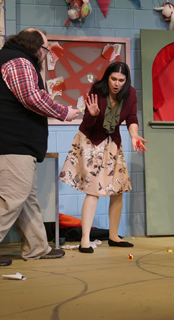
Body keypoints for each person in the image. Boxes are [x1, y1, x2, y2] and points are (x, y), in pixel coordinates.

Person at [0, 28, 80, 266]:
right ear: (37, 48)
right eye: (46, 49)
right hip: (5, 141)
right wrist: (64, 112)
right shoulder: (18, 60)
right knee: (12, 196)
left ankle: (37, 247)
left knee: (26, 197)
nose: (45, 55)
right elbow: (31, 97)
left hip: (6, 140)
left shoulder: (10, 57)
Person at [59, 62, 147, 253]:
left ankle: (114, 236)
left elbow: (132, 118)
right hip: (91, 139)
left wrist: (134, 135)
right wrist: (92, 114)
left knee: (119, 188)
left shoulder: (130, 93)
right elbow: (87, 122)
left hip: (112, 140)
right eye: (113, 79)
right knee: (93, 189)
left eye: (121, 80)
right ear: (108, 77)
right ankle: (85, 240)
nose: (117, 83)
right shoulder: (97, 90)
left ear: (126, 80)